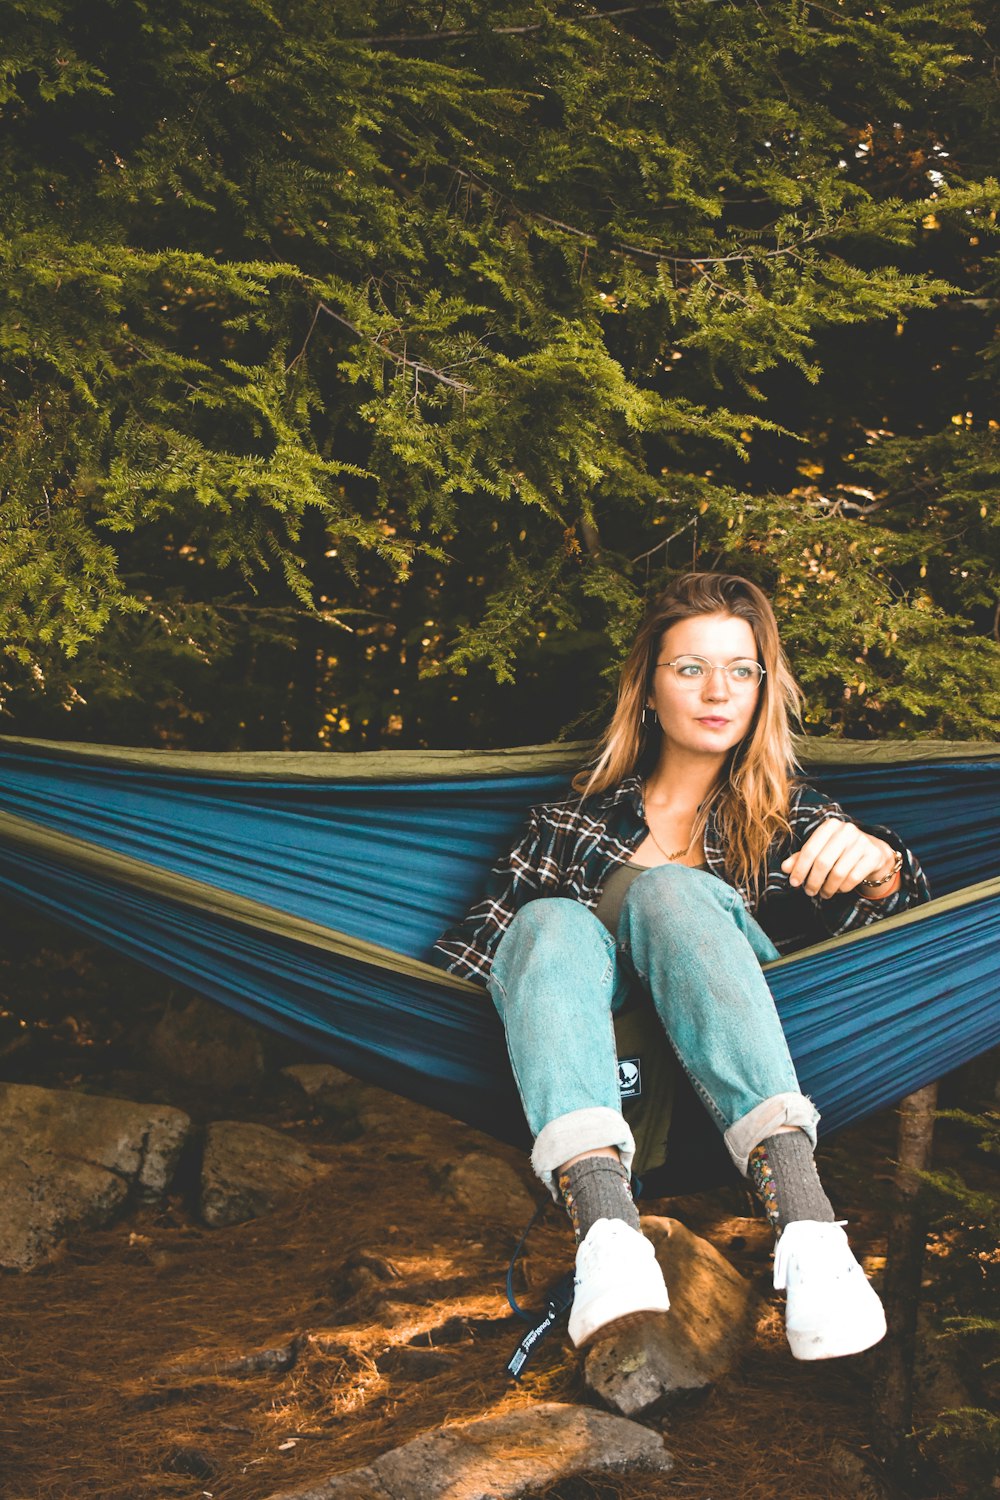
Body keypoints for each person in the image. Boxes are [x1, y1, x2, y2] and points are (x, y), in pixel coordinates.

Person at [433, 572, 930, 1361]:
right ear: (647, 689)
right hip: (608, 1086)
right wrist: (555, 948)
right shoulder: (565, 824)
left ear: (763, 690)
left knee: (668, 895)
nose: (717, 690)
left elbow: (903, 951)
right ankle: (606, 1236)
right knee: (545, 922)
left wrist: (881, 866)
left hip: (749, 1078)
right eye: (689, 667)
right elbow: (466, 971)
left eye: (741, 669)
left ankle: (808, 1234)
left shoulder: (793, 819)